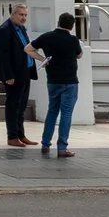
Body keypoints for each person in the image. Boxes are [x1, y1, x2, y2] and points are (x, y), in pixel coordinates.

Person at [29, 11, 84, 157]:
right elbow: (79, 55)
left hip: (53, 80)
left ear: (58, 22)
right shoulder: (73, 40)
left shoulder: (47, 37)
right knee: (66, 114)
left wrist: (43, 59)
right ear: (71, 26)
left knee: (52, 111)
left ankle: (45, 143)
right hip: (70, 81)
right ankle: (62, 148)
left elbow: (28, 49)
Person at [0, 3, 36, 147]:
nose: (23, 18)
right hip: (14, 74)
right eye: (21, 14)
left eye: (25, 15)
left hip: (25, 71)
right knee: (13, 105)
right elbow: (3, 55)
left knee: (22, 104)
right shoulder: (5, 30)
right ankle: (12, 136)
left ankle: (20, 134)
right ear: (13, 14)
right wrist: (8, 75)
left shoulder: (21, 29)